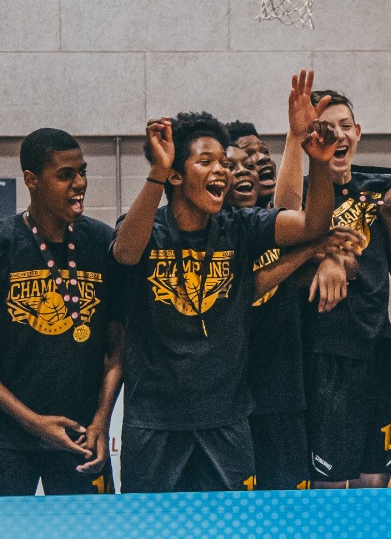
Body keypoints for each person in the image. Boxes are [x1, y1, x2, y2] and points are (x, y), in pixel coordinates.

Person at [110, 72, 337, 493]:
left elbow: (313, 224)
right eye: (206, 162)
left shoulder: (239, 227)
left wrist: (319, 163)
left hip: (226, 421)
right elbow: (125, 252)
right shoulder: (145, 227)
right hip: (155, 422)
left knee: (233, 529)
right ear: (176, 176)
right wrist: (157, 171)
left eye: (224, 164)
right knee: (154, 531)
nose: (221, 171)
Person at [285, 88, 391, 488]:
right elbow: (284, 213)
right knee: (328, 483)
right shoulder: (306, 191)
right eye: (327, 128)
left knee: (375, 480)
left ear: (358, 132)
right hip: (325, 352)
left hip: (377, 349)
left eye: (345, 126)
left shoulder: (381, 189)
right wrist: (327, 256)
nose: (338, 134)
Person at [0, 128, 121, 496]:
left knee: (91, 533)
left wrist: (101, 421)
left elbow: (118, 348)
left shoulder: (103, 245)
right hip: (5, 440)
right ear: (32, 180)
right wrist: (32, 422)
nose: (79, 183)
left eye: (82, 172)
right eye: (65, 175)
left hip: (82, 436)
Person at [223, 134, 359, 490]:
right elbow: (245, 290)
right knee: (240, 508)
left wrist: (331, 259)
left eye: (251, 164)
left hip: (282, 389)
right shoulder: (218, 232)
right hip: (231, 397)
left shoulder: (277, 227)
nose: (246, 171)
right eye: (233, 166)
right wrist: (311, 251)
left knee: (289, 504)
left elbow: (350, 263)